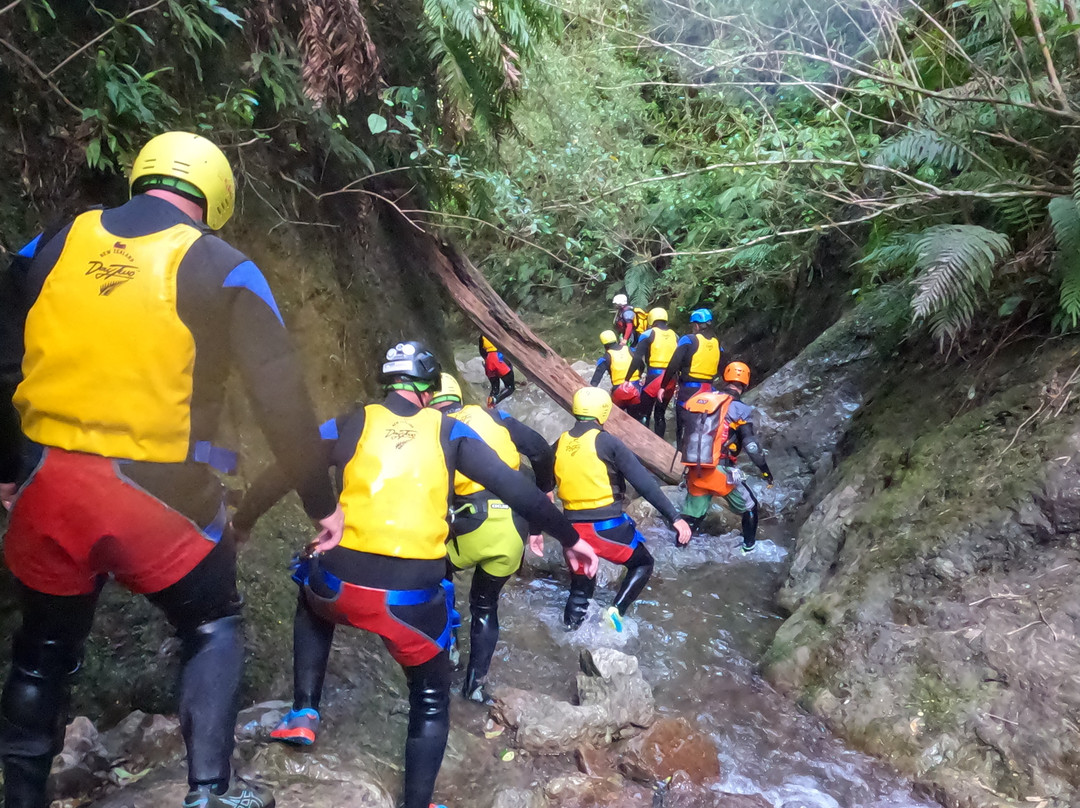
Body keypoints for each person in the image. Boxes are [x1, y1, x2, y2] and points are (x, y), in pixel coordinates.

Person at [0, 131, 344, 808]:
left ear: (141, 177)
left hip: (48, 487)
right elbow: (282, 398)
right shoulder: (224, 265)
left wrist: (9, 469)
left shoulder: (51, 244)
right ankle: (208, 792)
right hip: (156, 497)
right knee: (211, 623)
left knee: (41, 648)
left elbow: (4, 363)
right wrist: (319, 504)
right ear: (215, 196)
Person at [232, 341, 597, 808]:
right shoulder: (451, 432)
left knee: (310, 596)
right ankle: (416, 802)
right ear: (428, 389)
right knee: (429, 698)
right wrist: (571, 538)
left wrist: (242, 522)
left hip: (339, 585)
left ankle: (304, 710)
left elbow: (287, 467)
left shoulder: (352, 420)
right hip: (410, 602)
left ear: (388, 383)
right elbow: (519, 489)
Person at [427, 373, 555, 703]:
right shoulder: (495, 415)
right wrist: (546, 492)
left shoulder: (429, 425)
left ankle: (450, 648)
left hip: (467, 523)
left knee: (438, 575)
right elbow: (540, 449)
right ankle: (476, 685)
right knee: (485, 606)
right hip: (513, 526)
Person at [539, 388, 690, 632]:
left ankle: (570, 630)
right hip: (606, 529)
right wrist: (674, 517)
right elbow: (644, 483)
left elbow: (544, 485)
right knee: (642, 563)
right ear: (604, 411)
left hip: (571, 532)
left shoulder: (560, 443)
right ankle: (616, 610)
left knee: (580, 588)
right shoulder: (608, 442)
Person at [678, 362, 773, 553]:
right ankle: (749, 549)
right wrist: (765, 471)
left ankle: (680, 547)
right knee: (750, 506)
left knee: (690, 520)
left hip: (695, 470)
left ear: (724, 380)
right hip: (718, 470)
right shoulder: (739, 409)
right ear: (744, 385)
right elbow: (751, 446)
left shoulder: (703, 400)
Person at [662, 308, 722, 447]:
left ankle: (680, 457)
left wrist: (663, 386)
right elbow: (722, 364)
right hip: (709, 391)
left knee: (682, 428)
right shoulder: (717, 343)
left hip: (689, 391)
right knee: (703, 428)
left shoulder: (688, 340)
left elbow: (673, 365)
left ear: (695, 325)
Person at [627, 308, 679, 438]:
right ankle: (660, 442)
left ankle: (643, 442)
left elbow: (637, 359)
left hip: (654, 377)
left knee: (644, 412)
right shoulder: (675, 335)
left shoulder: (648, 334)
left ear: (651, 319)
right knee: (660, 414)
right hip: (671, 379)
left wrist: (628, 378)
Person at [589, 330, 644, 417]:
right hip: (635, 389)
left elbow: (596, 379)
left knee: (616, 418)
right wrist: (639, 376)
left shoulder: (606, 357)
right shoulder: (630, 350)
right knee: (637, 418)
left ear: (604, 345)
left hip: (619, 392)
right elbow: (641, 365)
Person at [479, 335, 515, 406]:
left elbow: (481, 352)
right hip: (498, 358)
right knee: (510, 387)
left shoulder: (482, 336)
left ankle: (490, 406)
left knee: (495, 389)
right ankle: (495, 400)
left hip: (488, 361)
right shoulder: (498, 332)